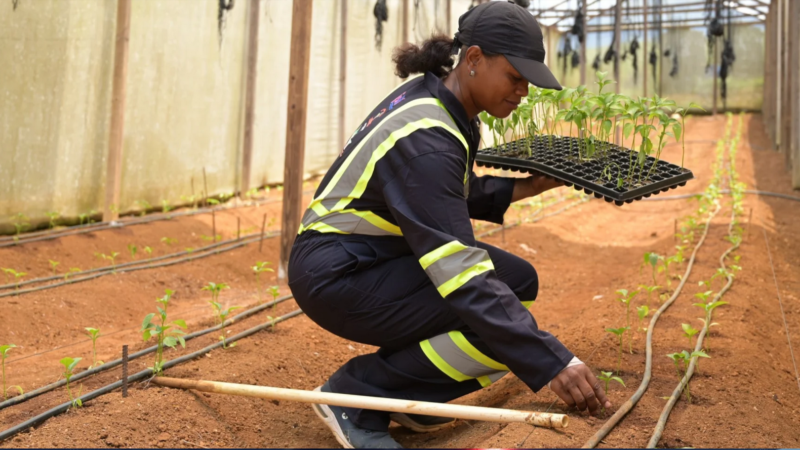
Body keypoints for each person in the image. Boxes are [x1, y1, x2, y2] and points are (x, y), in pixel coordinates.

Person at [288, 2, 610, 448]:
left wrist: (528, 188)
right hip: (340, 273)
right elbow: (459, 270)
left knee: (516, 283)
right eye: (515, 77)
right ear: (474, 59)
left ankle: (408, 399)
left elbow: (440, 192)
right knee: (495, 313)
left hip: (370, 255)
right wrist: (552, 360)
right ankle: (357, 396)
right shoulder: (427, 139)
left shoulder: (439, 100)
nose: (523, 91)